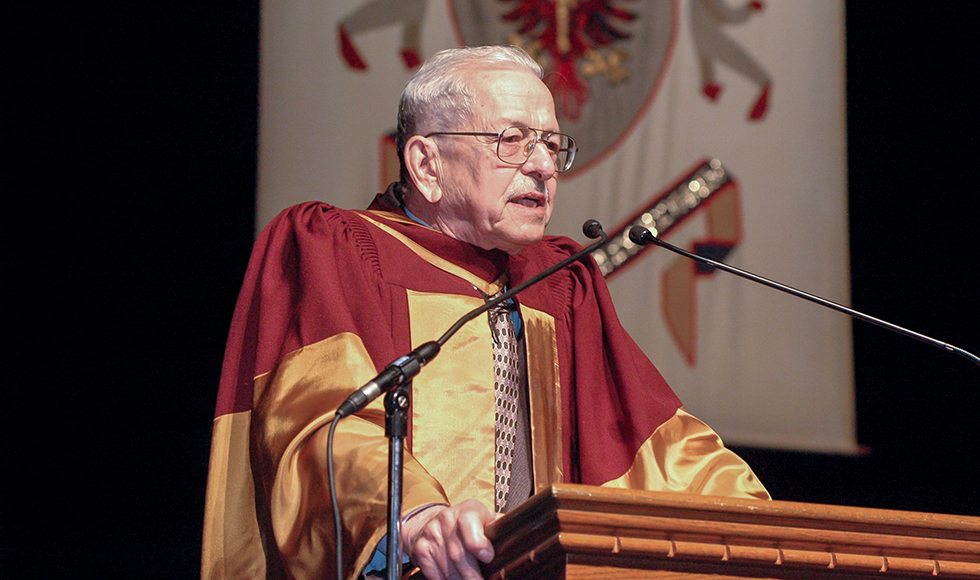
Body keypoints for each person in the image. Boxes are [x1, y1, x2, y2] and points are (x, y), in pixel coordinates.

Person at [201, 45, 769, 580]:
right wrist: (415, 517)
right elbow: (320, 426)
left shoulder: (559, 283)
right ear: (426, 163)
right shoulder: (337, 249)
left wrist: (765, 527)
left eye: (551, 144)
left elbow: (653, 440)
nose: (543, 166)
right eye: (513, 140)